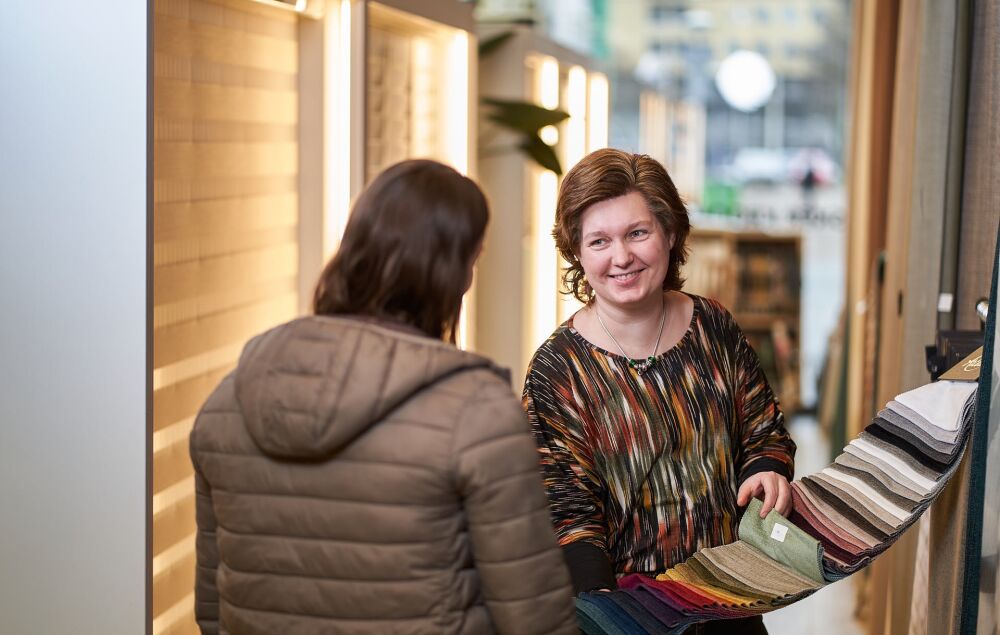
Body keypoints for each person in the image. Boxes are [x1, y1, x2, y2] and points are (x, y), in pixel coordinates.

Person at [190, 159, 577, 635]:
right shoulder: (476, 412)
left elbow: (213, 607)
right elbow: (533, 617)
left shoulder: (227, 402)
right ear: (451, 274)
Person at [523, 149, 796, 634]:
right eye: (599, 241)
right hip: (626, 616)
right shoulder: (557, 371)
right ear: (577, 254)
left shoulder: (713, 324)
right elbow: (564, 512)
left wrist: (767, 469)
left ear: (670, 234)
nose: (621, 257)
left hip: (729, 602)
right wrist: (601, 612)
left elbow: (764, 429)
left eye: (637, 233)